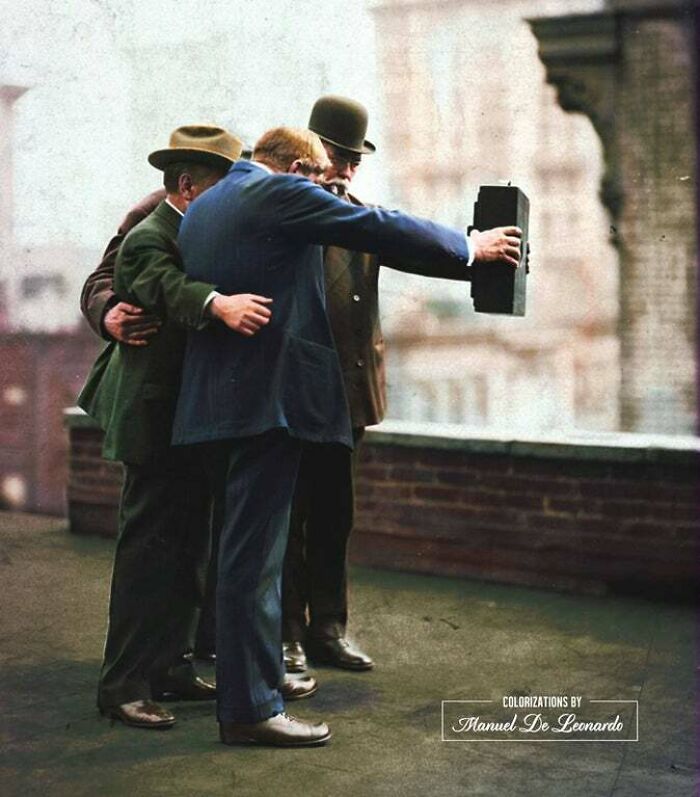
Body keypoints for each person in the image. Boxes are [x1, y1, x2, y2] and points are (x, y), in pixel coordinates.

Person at [171, 126, 522, 747]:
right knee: (256, 561)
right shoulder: (279, 193)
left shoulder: (208, 205)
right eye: (320, 178)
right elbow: (376, 225)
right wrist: (472, 248)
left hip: (217, 400)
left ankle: (245, 695)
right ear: (301, 168)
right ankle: (252, 710)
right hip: (270, 401)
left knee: (238, 553)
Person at [78, 125, 289, 730]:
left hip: (190, 413)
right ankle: (122, 685)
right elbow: (151, 282)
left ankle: (168, 667)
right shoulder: (154, 229)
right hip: (154, 412)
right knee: (149, 551)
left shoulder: (200, 224)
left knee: (189, 547)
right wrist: (215, 305)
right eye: (226, 184)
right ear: (188, 184)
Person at [282, 95, 476, 674]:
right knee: (288, 521)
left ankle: (328, 631)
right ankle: (287, 635)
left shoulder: (359, 214)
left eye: (353, 160)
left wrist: (477, 254)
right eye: (335, 156)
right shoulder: (286, 211)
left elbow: (410, 245)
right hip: (292, 397)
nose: (344, 168)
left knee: (334, 517)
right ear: (309, 153)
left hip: (345, 398)